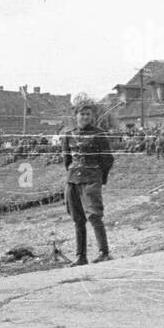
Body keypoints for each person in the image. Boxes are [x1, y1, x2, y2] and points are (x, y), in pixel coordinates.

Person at [63, 103, 114, 265]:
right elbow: (67, 159)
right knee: (77, 218)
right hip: (72, 180)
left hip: (92, 178)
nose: (85, 117)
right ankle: (81, 256)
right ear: (76, 116)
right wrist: (71, 173)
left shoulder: (99, 134)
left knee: (94, 215)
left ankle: (104, 252)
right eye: (82, 114)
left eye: (88, 114)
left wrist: (101, 178)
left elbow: (107, 159)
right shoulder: (68, 134)